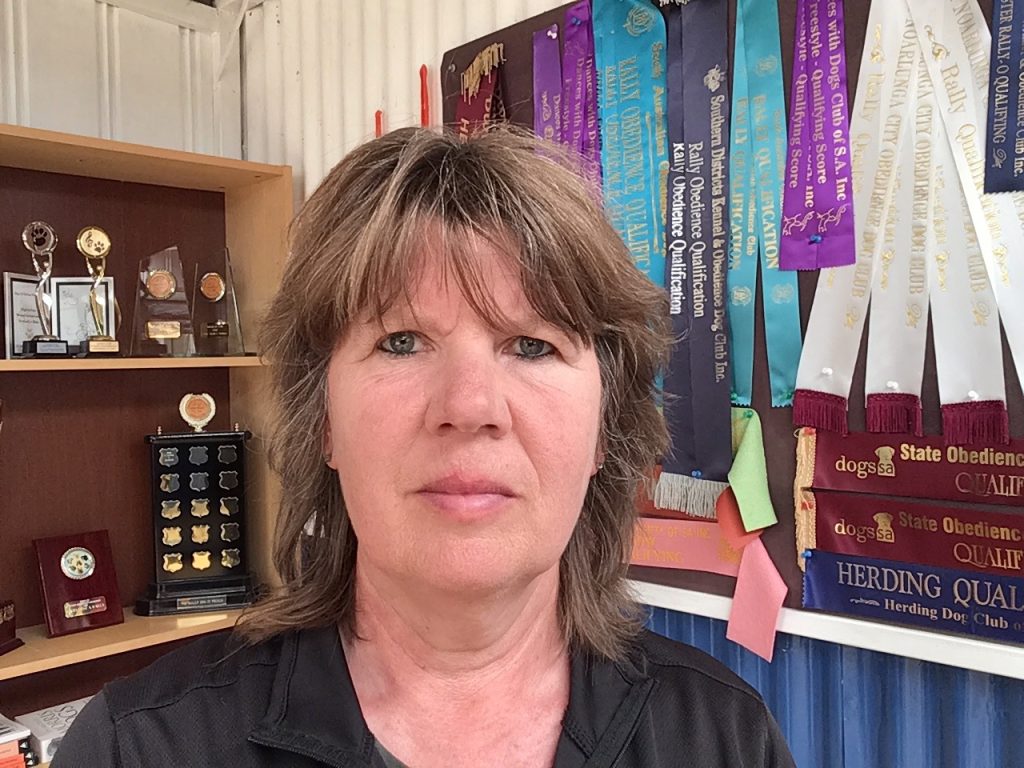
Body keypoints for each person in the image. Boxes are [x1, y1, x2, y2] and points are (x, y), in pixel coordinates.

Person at [54, 127, 795, 767]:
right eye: (401, 341)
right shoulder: (137, 749)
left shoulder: (726, 740)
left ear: (605, 427)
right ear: (325, 421)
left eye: (532, 345)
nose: (469, 407)